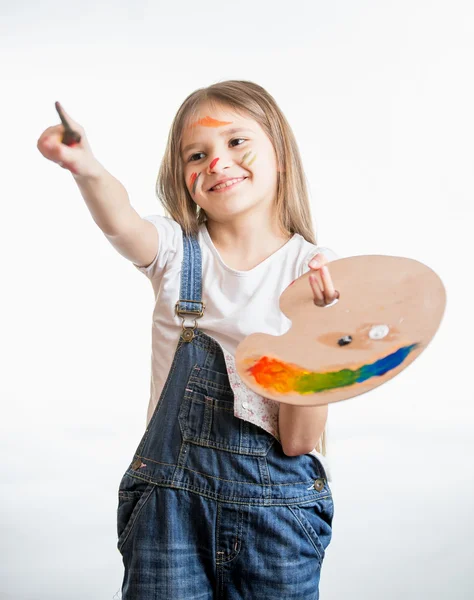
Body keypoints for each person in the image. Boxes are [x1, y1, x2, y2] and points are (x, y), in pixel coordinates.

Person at [37, 80, 339, 599]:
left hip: (278, 515)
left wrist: (318, 337)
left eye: (237, 142)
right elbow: (122, 222)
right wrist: (84, 166)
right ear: (182, 176)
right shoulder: (176, 253)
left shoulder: (311, 273)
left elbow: (298, 441)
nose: (217, 161)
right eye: (197, 154)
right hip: (167, 513)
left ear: (281, 156)